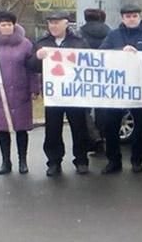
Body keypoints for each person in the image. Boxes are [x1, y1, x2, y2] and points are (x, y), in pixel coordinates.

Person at [26, 11, 92, 177]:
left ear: (66, 23)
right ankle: (54, 162)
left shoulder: (79, 42)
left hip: (74, 94)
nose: (53, 26)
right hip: (54, 94)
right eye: (50, 23)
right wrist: (37, 57)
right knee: (53, 130)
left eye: (57, 22)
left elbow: (91, 64)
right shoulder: (42, 43)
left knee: (79, 128)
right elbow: (31, 66)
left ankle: (81, 160)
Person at [99, 4, 142, 174]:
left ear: (140, 17)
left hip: (139, 92)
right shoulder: (113, 35)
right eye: (128, 16)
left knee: (140, 129)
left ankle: (137, 160)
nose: (131, 19)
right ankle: (113, 161)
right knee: (111, 127)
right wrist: (120, 51)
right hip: (116, 92)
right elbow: (101, 55)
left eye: (134, 16)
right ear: (122, 18)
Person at [0, 11, 38, 175]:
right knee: (3, 129)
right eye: (3, 25)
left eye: (10, 24)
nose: (7, 27)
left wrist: (34, 88)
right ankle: (5, 162)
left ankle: (22, 161)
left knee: (21, 128)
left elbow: (32, 68)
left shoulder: (25, 44)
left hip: (20, 91)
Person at [78, 8, 110, 153]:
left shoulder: (79, 34)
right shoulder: (110, 33)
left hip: (84, 76)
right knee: (102, 108)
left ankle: (93, 136)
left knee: (84, 110)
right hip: (105, 75)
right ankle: (102, 137)